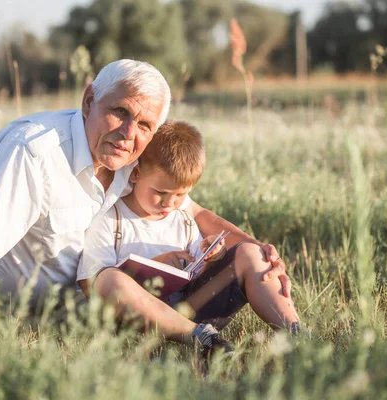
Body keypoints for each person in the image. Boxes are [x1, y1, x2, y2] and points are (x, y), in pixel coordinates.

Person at [0, 59, 290, 326]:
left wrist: (261, 252)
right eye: (119, 112)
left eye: (144, 125)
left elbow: (195, 212)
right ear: (89, 100)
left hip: (91, 318)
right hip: (12, 318)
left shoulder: (133, 158)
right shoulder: (34, 151)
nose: (128, 132)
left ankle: (292, 336)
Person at [77, 121, 300, 356]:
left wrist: (214, 255)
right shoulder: (110, 219)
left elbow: (199, 271)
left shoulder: (182, 219)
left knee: (251, 252)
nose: (169, 203)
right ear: (135, 173)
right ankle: (205, 340)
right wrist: (157, 266)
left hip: (189, 308)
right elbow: (90, 285)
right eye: (160, 193)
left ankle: (296, 334)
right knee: (108, 279)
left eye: (181, 194)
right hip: (135, 319)